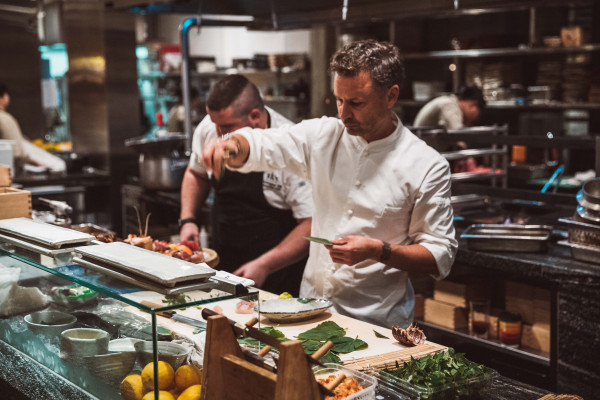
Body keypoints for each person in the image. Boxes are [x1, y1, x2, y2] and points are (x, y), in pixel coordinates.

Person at [201, 40, 457, 328]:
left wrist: (378, 250)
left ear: (390, 96)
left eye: (356, 103)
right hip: (309, 312)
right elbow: (268, 143)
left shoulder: (426, 165)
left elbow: (440, 255)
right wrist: (233, 145)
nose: (344, 113)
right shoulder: (324, 135)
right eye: (339, 100)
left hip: (376, 325)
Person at [180, 75, 313, 296]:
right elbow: (196, 173)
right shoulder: (212, 126)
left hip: (277, 273)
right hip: (224, 255)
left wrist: (265, 265)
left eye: (226, 127)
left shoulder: (291, 147)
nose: (218, 135)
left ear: (254, 116)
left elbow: (310, 224)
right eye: (215, 125)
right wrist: (188, 220)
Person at [0, 83, 44, 170]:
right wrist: (38, 163)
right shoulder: (4, 119)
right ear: (4, 97)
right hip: (6, 173)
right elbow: (17, 153)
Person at [413, 85, 485, 129]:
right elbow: (458, 136)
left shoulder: (450, 102)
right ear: (473, 105)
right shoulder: (449, 105)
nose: (474, 119)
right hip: (422, 152)